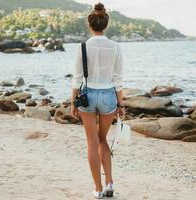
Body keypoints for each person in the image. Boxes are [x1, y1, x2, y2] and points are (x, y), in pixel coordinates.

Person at [71, 2, 125, 199]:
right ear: (105, 24)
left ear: (90, 24)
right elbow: (118, 80)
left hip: (87, 96)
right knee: (103, 140)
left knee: (92, 142)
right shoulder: (116, 47)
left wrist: (72, 102)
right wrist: (121, 104)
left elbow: (77, 78)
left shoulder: (83, 46)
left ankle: (98, 188)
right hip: (109, 96)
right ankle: (110, 183)